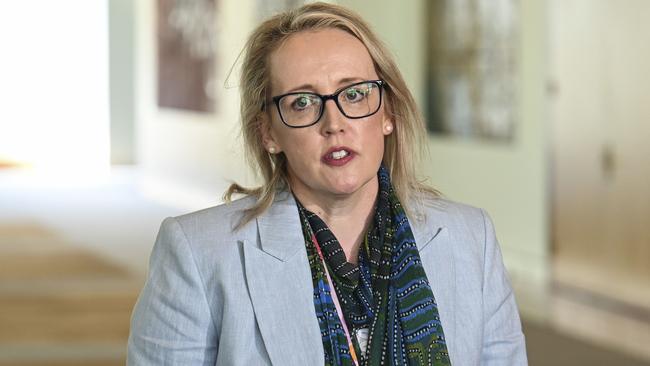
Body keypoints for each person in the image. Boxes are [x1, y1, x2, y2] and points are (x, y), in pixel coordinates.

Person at [127, 2, 527, 365]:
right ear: (268, 132)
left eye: (354, 94)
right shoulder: (198, 254)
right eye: (302, 102)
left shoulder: (471, 238)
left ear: (387, 112)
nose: (334, 123)